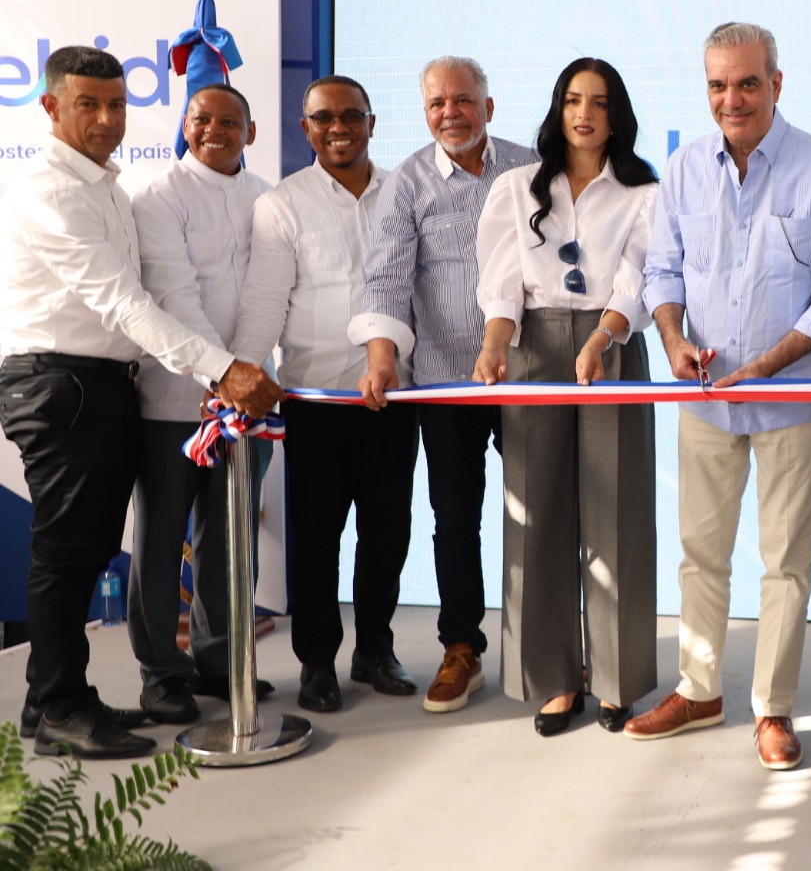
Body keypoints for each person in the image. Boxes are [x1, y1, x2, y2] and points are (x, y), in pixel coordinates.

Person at [0, 46, 281, 758]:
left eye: (117, 104)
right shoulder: (55, 192)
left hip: (101, 386)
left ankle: (51, 698)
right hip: (59, 383)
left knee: (86, 548)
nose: (105, 118)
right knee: (69, 555)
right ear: (51, 108)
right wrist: (223, 370)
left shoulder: (106, 187)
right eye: (88, 104)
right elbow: (126, 302)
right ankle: (62, 705)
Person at [634, 22, 811, 771]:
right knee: (700, 554)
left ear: (776, 83)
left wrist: (768, 363)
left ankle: (774, 708)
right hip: (704, 400)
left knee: (785, 563)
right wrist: (672, 340)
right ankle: (699, 690)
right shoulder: (683, 170)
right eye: (717, 84)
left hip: (792, 400)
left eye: (746, 83)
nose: (731, 99)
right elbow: (661, 274)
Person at [473, 58, 659, 736]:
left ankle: (616, 679)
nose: (585, 114)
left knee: (618, 511)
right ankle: (553, 680)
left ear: (618, 115)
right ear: (558, 107)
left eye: (600, 102)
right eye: (574, 100)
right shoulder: (517, 187)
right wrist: (496, 345)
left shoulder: (644, 191)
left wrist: (605, 336)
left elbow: (638, 280)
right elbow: (501, 286)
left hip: (610, 344)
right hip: (534, 346)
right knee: (535, 510)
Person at [349, 56, 535, 714]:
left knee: (543, 511)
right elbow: (386, 278)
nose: (449, 113)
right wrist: (380, 358)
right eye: (436, 104)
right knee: (455, 520)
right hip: (445, 380)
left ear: (489, 106)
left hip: (526, 375)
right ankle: (463, 647)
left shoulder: (530, 165)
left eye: (462, 100)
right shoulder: (407, 183)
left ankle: (550, 646)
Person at [233, 74, 420, 715]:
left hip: (397, 398)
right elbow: (263, 302)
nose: (338, 127)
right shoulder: (281, 205)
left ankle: (375, 650)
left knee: (388, 533)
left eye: (351, 115)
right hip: (316, 401)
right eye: (323, 118)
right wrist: (242, 373)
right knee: (317, 538)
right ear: (305, 127)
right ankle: (317, 662)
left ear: (372, 122)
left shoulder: (405, 191)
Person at [127, 83, 275, 726]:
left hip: (248, 404)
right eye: (201, 119)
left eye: (228, 121)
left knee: (229, 538)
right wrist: (224, 375)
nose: (214, 130)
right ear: (185, 125)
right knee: (161, 540)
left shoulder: (267, 197)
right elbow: (174, 296)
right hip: (174, 403)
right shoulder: (157, 196)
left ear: (251, 129)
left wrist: (245, 374)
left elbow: (271, 295)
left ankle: (219, 662)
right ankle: (162, 672)